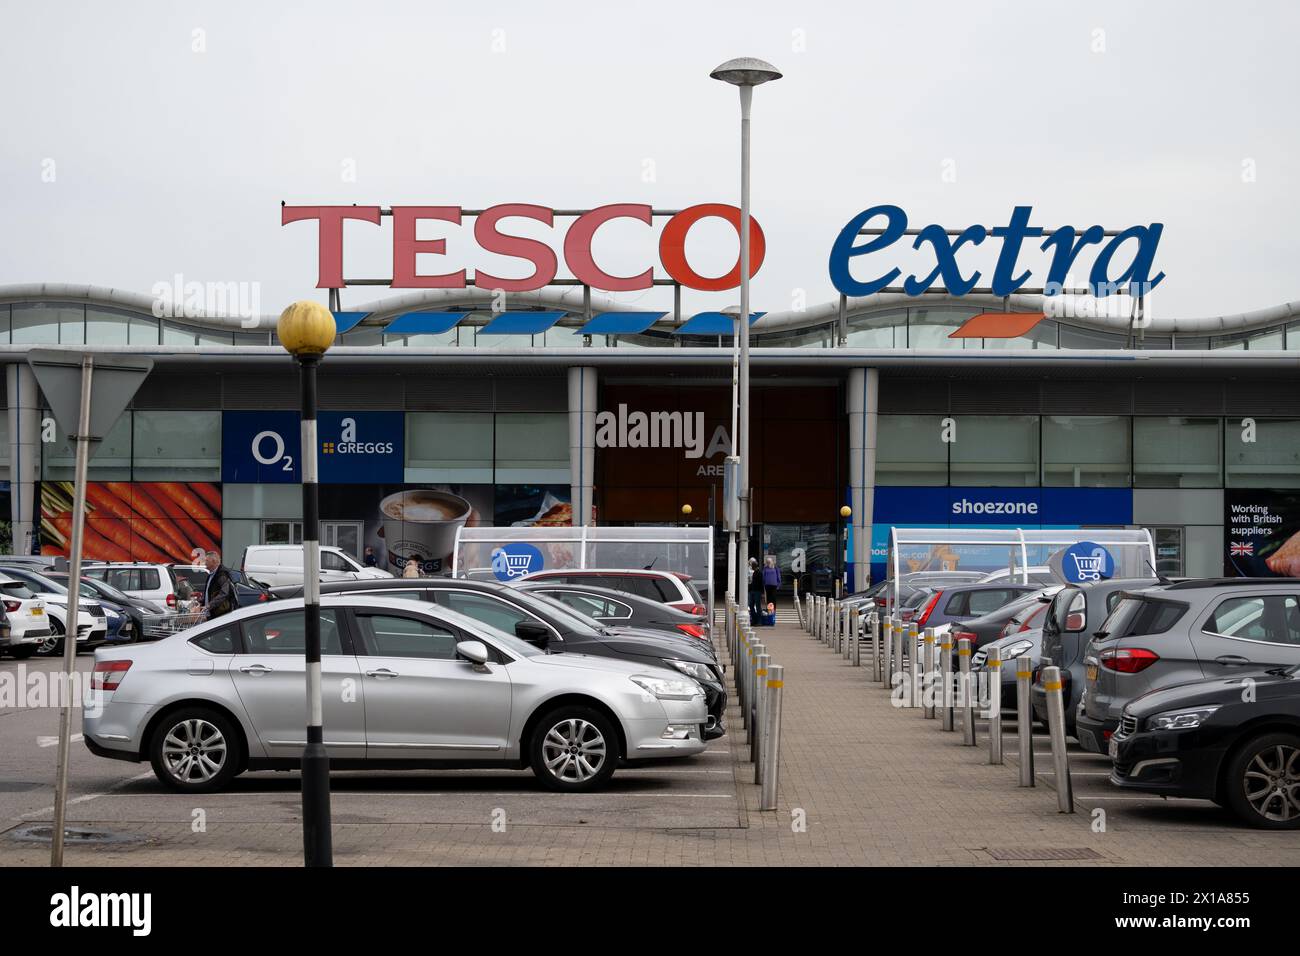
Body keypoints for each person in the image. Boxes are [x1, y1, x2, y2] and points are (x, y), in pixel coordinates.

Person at [201, 550, 236, 620]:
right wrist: (201, 601)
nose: (204, 563)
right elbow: (210, 592)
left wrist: (209, 605)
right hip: (212, 612)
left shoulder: (222, 574)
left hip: (220, 614)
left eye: (207, 561)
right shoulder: (211, 574)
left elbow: (224, 593)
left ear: (213, 561)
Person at [746, 557, 763, 625]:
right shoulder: (752, 572)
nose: (751, 567)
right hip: (751, 590)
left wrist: (762, 593)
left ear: (754, 566)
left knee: (758, 606)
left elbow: (761, 583)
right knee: (751, 605)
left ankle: (759, 621)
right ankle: (754, 619)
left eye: (752, 566)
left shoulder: (759, 572)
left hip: (757, 591)